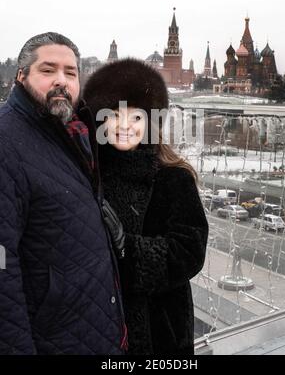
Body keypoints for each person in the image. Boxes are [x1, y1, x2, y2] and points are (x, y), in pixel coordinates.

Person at [0, 32, 127, 355]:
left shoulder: (71, 130)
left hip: (91, 328)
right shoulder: (7, 139)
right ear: (21, 75)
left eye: (70, 73)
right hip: (52, 338)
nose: (61, 81)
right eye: (48, 70)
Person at [83, 57, 208, 355]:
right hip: (99, 325)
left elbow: (190, 251)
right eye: (114, 115)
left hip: (159, 332)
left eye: (136, 117)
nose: (125, 126)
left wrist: (129, 249)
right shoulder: (89, 174)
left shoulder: (173, 177)